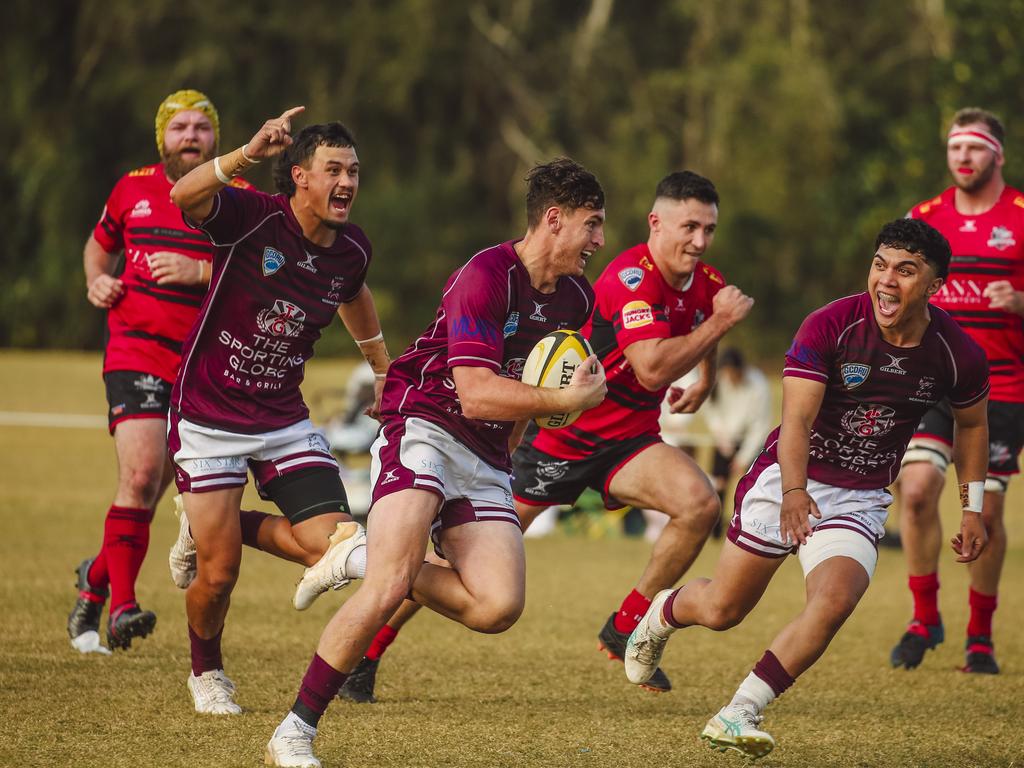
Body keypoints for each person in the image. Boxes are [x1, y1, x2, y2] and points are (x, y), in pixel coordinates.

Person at [331, 171, 754, 706]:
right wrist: (716, 328)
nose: (699, 240)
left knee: (699, 505)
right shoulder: (628, 278)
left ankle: (625, 625)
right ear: (657, 223)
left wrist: (708, 376)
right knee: (458, 561)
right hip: (563, 437)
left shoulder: (707, 283)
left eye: (709, 229)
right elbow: (650, 368)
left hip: (630, 440)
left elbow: (699, 317)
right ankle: (369, 650)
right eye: (690, 226)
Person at [263, 158, 608, 767]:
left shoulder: (575, 299)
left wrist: (520, 442)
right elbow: (475, 391)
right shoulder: (485, 275)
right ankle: (294, 731)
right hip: (423, 424)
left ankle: (359, 553)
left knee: (498, 606)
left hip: (485, 454)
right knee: (390, 585)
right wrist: (565, 400)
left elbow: (529, 386)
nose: (600, 241)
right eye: (593, 224)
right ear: (554, 220)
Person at [623, 218, 990, 759]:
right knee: (724, 610)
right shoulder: (831, 325)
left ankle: (739, 710)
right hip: (786, 478)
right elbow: (794, 422)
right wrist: (795, 493)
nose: (887, 281)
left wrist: (972, 508)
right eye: (880, 265)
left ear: (934, 286)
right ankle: (664, 612)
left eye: (906, 272)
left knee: (836, 599)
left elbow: (974, 425)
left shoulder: (956, 352)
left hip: (859, 496)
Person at [167, 107, 390, 716]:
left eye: (354, 172)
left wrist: (380, 365)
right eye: (333, 170)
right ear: (299, 176)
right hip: (209, 415)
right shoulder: (251, 218)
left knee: (338, 545)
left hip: (283, 421)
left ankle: (212, 523)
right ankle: (206, 670)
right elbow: (182, 193)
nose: (346, 183)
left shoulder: (351, 250)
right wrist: (244, 154)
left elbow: (355, 292)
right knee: (216, 577)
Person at [68, 89, 251, 654]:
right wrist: (96, 279)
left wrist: (200, 271)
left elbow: (260, 273)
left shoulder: (240, 196)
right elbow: (98, 249)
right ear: (163, 138)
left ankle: (95, 581)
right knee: (142, 477)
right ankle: (122, 607)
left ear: (216, 137)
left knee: (150, 496)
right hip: (136, 352)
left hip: (202, 365)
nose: (191, 136)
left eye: (201, 127)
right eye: (180, 128)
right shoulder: (132, 187)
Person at [891, 108, 1024, 674]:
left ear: (997, 154)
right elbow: (891, 287)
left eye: (974, 147)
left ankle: (980, 635)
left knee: (984, 511)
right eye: (954, 148)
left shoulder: (1021, 216)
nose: (962, 157)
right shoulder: (925, 217)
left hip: (1003, 391)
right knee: (917, 491)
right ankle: (925, 618)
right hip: (934, 381)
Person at [701, 347, 773, 536]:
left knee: (748, 486)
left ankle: (746, 528)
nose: (730, 378)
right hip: (724, 439)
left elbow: (760, 424)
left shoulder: (758, 384)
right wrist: (720, 435)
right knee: (718, 484)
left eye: (733, 373)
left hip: (750, 441)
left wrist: (743, 457)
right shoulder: (718, 381)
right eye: (727, 373)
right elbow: (711, 409)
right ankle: (714, 531)